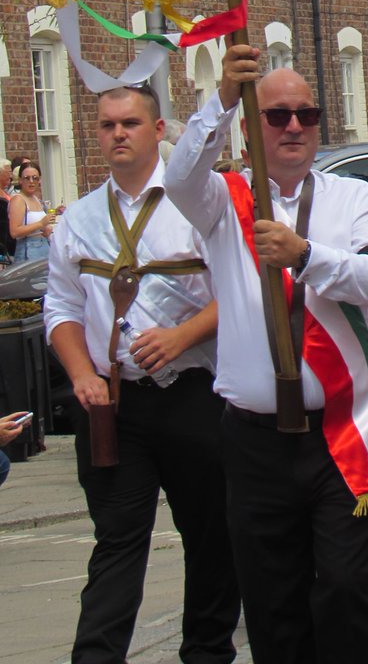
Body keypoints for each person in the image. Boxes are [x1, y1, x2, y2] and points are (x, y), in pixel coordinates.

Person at [165, 44, 368, 664]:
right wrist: (219, 98)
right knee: (272, 599)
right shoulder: (223, 200)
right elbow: (180, 177)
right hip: (254, 439)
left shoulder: (354, 199)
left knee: (350, 587)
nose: (294, 125)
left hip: (340, 431)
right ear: (251, 125)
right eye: (276, 115)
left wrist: (306, 255)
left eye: (307, 113)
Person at [43, 84, 240, 664]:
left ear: (158, 131)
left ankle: (207, 652)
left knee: (211, 536)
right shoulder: (77, 219)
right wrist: (82, 374)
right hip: (116, 404)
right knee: (116, 540)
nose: (117, 134)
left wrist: (183, 335)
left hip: (194, 393)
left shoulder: (200, 205)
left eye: (130, 123)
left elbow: (242, 290)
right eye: (107, 125)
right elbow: (61, 308)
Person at [9, 163, 56, 263]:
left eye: (35, 178)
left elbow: (37, 226)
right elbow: (14, 232)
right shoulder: (18, 200)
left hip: (44, 246)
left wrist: (46, 229)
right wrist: (41, 223)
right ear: (20, 180)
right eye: (27, 178)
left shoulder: (35, 198)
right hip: (28, 249)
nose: (31, 181)